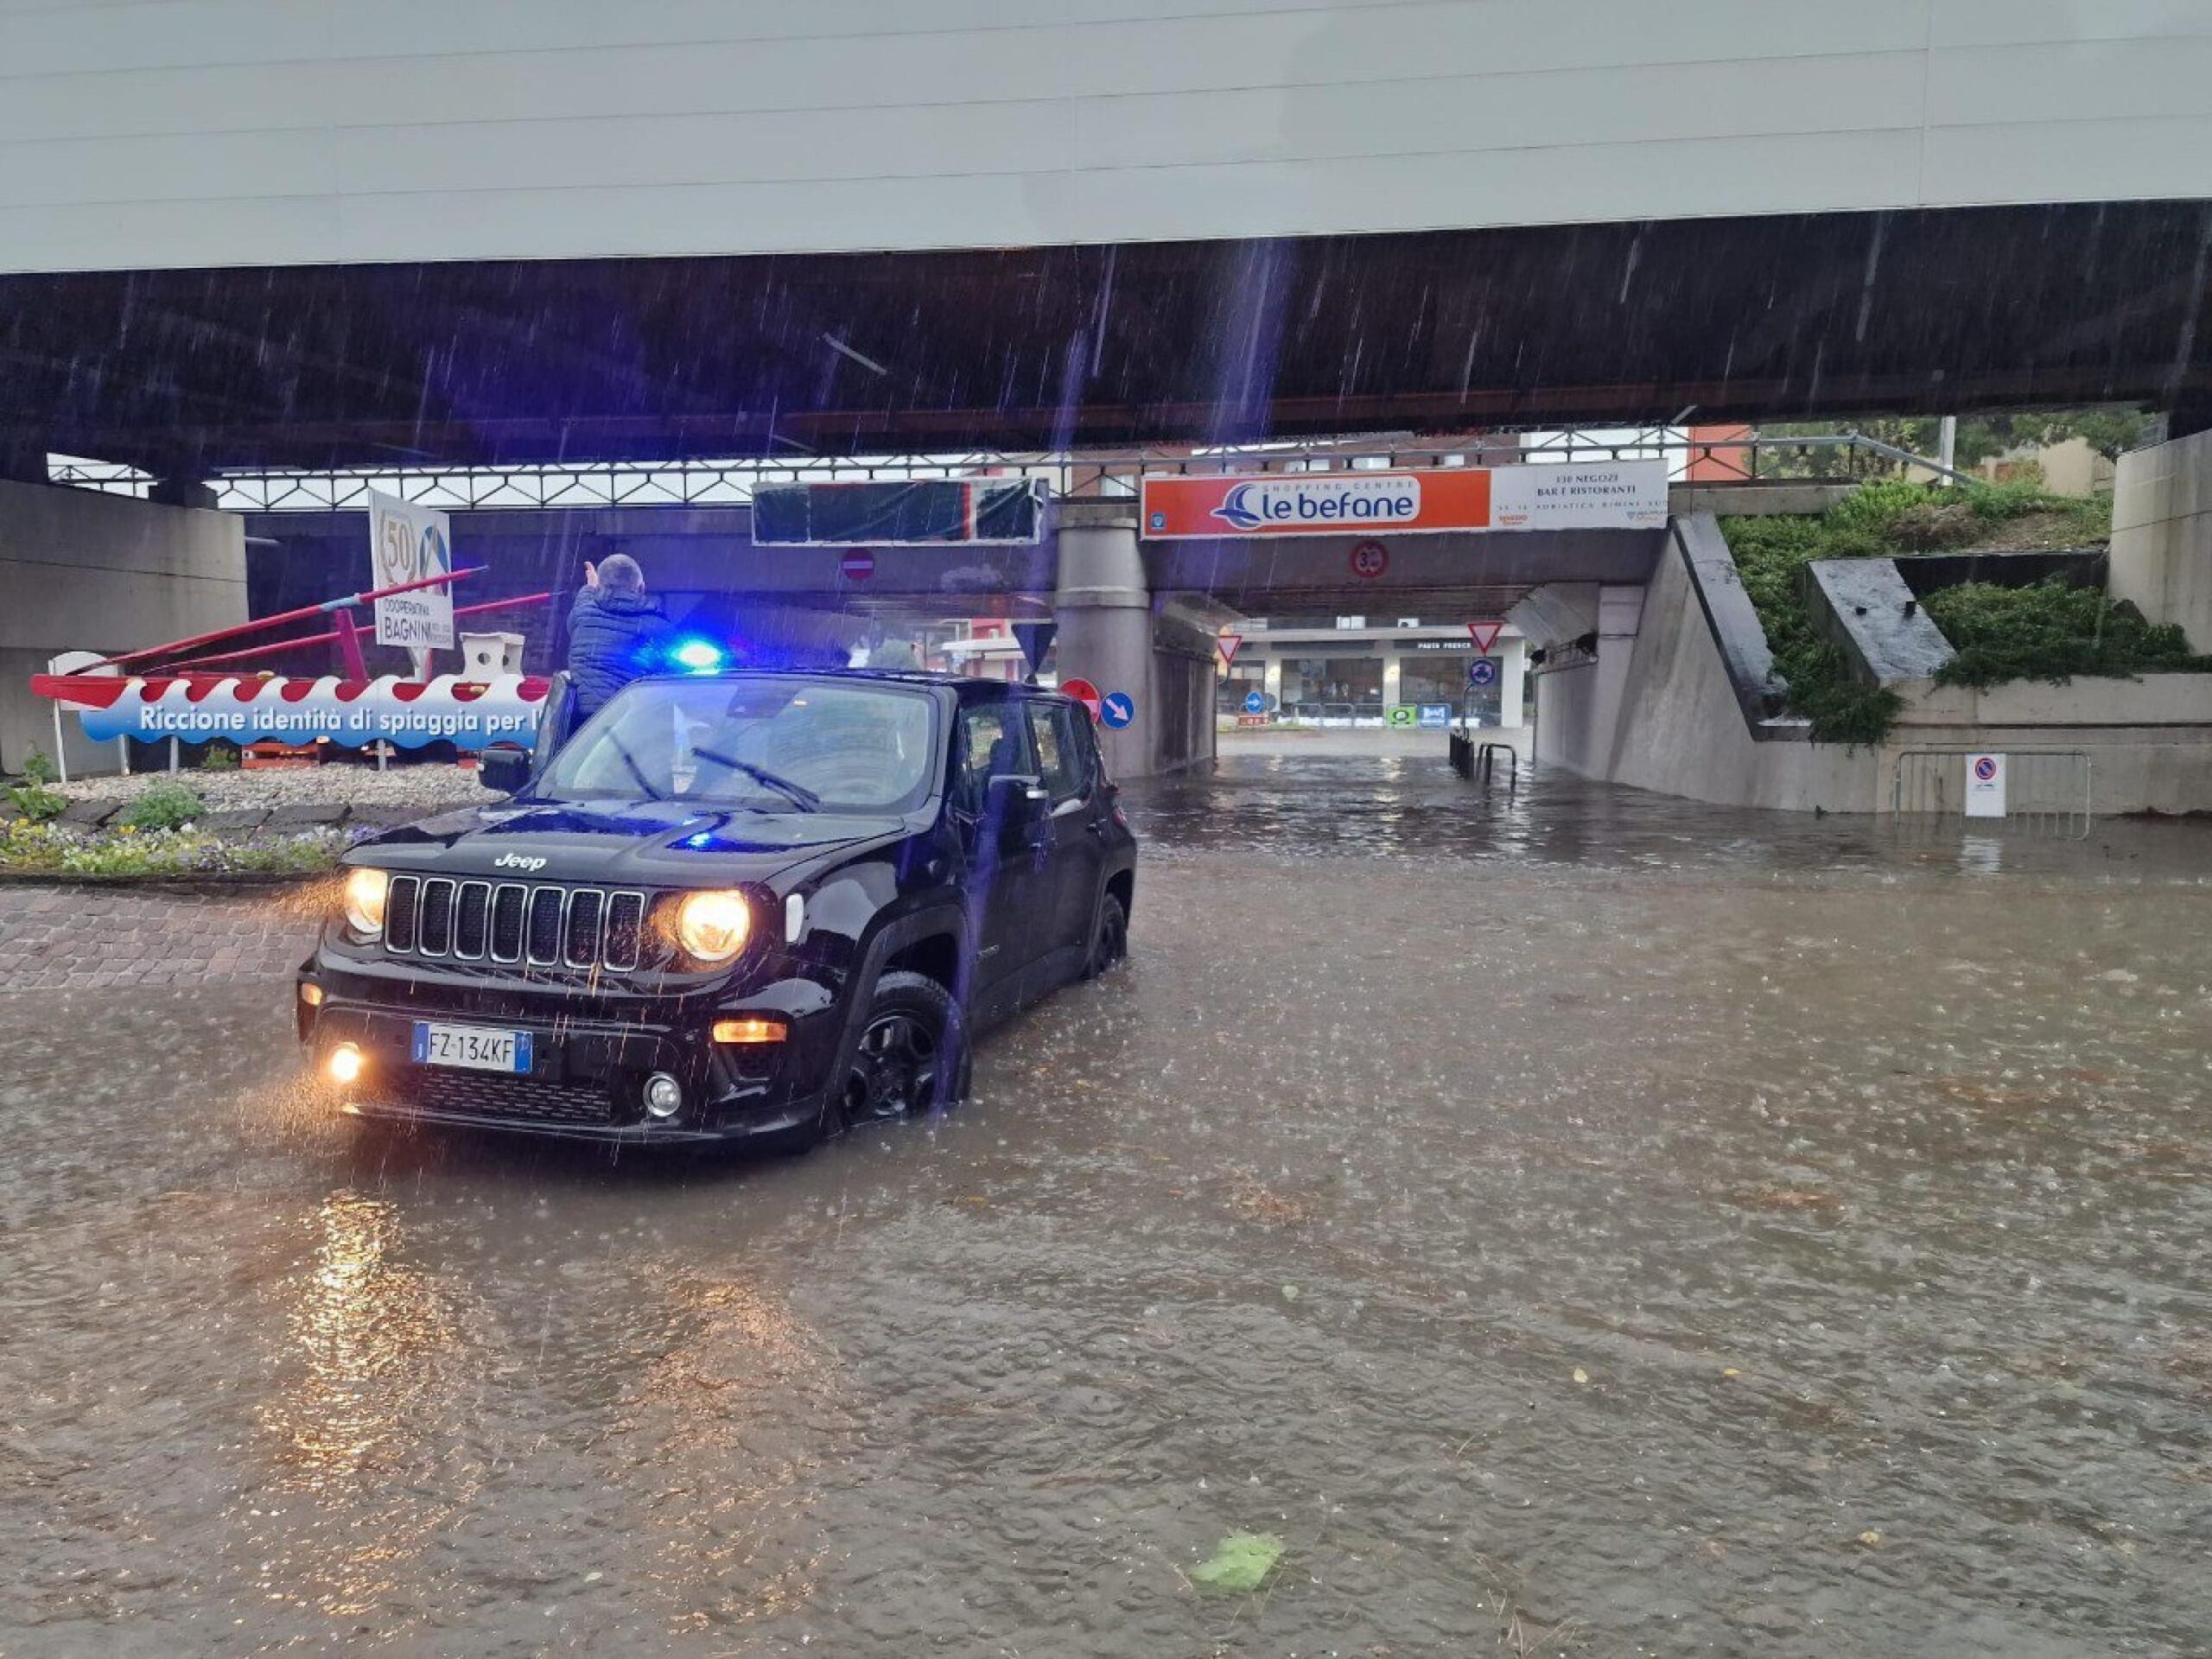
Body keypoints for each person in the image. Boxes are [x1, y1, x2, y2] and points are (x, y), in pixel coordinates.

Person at [565, 554, 674, 716]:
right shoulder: (660, 627)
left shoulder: (582, 615)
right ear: (641, 588)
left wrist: (591, 587)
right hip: (630, 723)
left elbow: (584, 601)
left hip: (584, 726)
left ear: (600, 587)